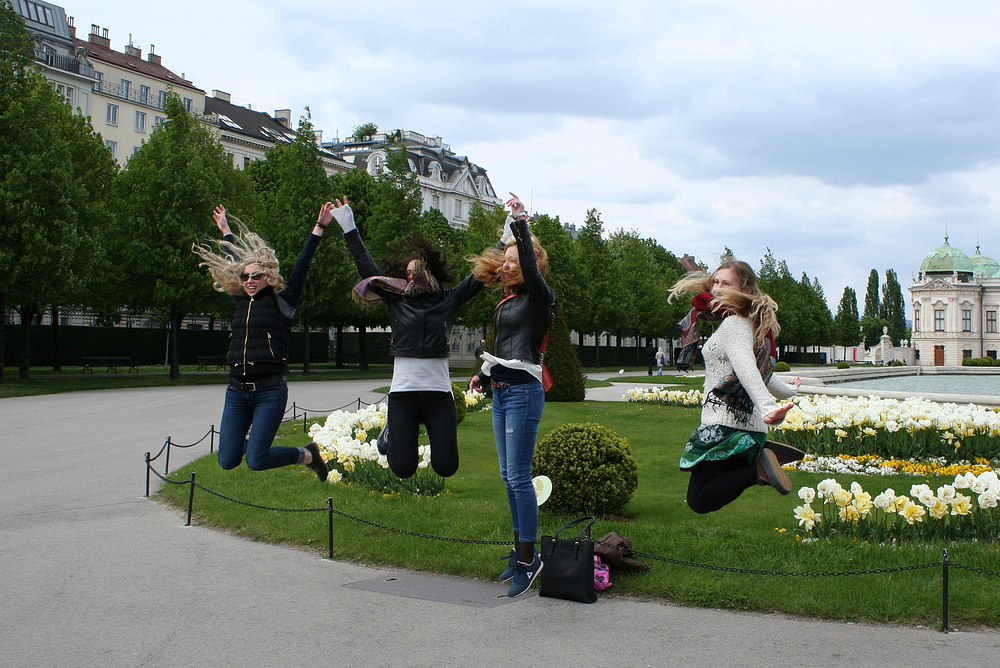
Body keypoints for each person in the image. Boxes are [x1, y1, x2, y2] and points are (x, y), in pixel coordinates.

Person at [331, 196, 502, 479]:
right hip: (403, 396)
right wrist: (348, 224)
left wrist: (507, 236)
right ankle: (389, 434)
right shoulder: (396, 299)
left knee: (447, 467)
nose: (415, 277)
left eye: (419, 271)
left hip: (438, 397)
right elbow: (368, 270)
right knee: (403, 468)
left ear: (431, 272)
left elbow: (479, 277)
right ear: (405, 278)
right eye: (410, 274)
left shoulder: (448, 300)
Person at [191, 204, 333, 481]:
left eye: (256, 275)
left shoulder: (283, 303)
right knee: (228, 459)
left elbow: (303, 265)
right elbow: (234, 261)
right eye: (245, 276)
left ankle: (306, 455)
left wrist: (320, 227)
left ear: (268, 276)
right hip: (236, 392)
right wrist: (226, 231)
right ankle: (300, 453)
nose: (249, 280)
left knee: (256, 460)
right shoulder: (241, 300)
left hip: (269, 391)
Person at [468, 193, 556, 598]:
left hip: (522, 393)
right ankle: (520, 551)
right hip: (503, 391)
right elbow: (505, 347)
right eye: (502, 258)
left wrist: (520, 223)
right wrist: (482, 375)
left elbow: (523, 352)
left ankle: (528, 559)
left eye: (512, 258)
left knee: (519, 477)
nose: (504, 263)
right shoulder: (508, 300)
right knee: (508, 476)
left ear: (530, 264)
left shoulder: (540, 297)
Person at [668, 259, 804, 514]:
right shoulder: (745, 324)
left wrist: (767, 407)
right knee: (701, 497)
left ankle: (760, 468)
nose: (717, 288)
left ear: (743, 288)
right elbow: (761, 373)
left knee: (700, 500)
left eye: (726, 283)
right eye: (716, 282)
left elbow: (745, 367)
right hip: (744, 428)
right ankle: (761, 459)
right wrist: (790, 390)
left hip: (727, 427)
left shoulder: (734, 325)